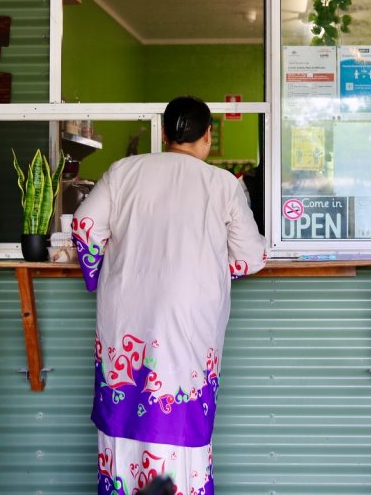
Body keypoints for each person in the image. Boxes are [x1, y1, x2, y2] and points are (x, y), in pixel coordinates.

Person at [73, 96, 266, 495]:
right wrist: (212, 267)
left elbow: (85, 225)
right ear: (208, 135)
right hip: (189, 327)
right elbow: (251, 256)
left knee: (123, 423)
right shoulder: (222, 185)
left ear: (163, 134)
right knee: (182, 424)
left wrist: (98, 275)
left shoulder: (123, 171)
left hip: (126, 321)